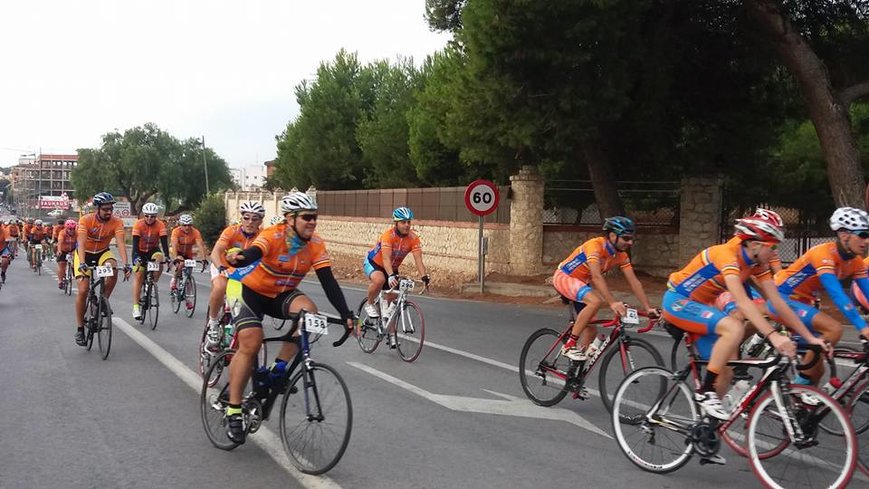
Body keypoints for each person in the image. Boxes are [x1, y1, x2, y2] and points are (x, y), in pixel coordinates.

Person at [663, 211, 826, 423]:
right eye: (772, 247)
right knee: (734, 327)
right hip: (678, 301)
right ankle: (705, 391)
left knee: (726, 372)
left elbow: (778, 302)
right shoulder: (726, 255)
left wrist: (810, 337)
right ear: (755, 244)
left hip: (701, 306)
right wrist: (774, 336)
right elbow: (742, 301)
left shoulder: (756, 263)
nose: (775, 252)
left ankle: (705, 427)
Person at [223, 192, 355, 444]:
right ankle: (234, 410)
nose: (312, 222)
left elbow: (328, 281)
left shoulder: (315, 244)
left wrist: (346, 314)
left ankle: (279, 368)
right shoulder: (273, 235)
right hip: (248, 290)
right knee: (251, 342)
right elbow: (255, 252)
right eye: (307, 217)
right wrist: (240, 257)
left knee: (309, 313)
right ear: (290, 219)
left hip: (280, 293)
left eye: (314, 217)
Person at [770, 207, 869, 385]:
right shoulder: (823, 254)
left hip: (805, 302)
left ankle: (804, 397)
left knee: (817, 371)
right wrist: (862, 327)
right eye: (862, 235)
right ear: (844, 235)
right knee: (834, 329)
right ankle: (796, 389)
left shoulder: (856, 262)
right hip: (782, 298)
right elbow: (836, 293)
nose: (866, 240)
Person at [553, 216, 658, 361]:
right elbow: (596, 277)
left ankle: (575, 370)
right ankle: (569, 345)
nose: (630, 242)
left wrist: (648, 308)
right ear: (613, 236)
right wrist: (612, 302)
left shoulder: (620, 255)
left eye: (631, 238)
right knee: (595, 301)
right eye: (626, 238)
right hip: (565, 277)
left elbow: (634, 282)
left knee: (591, 330)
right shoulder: (595, 246)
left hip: (582, 283)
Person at [204, 201, 265, 348]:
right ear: (241, 218)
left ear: (260, 221)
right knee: (220, 287)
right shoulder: (231, 231)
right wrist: (220, 267)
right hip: (223, 265)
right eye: (246, 218)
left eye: (254, 219)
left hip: (245, 271)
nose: (250, 222)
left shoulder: (263, 236)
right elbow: (216, 252)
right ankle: (213, 323)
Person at [73, 192, 131, 346]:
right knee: (83, 289)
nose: (109, 212)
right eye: (105, 209)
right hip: (84, 253)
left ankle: (102, 302)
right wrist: (82, 263)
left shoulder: (117, 222)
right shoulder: (86, 220)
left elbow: (120, 243)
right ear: (97, 209)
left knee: (113, 268)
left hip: (102, 253)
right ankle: (80, 329)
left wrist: (126, 264)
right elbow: (81, 243)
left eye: (111, 209)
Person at [362, 207, 429, 319]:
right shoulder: (388, 236)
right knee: (379, 280)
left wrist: (424, 276)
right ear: (396, 223)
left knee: (392, 300)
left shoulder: (413, 238)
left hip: (392, 268)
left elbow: (418, 259)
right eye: (403, 222)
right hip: (374, 263)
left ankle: (388, 327)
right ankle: (369, 304)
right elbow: (386, 258)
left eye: (409, 222)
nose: (407, 225)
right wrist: (391, 275)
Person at [131, 203, 170, 320]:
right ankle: (136, 307)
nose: (149, 218)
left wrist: (167, 256)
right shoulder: (138, 224)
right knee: (139, 275)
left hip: (153, 250)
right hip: (139, 251)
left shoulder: (160, 224)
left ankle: (152, 283)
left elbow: (164, 242)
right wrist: (136, 258)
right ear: (144, 215)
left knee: (160, 259)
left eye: (152, 216)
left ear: (156, 216)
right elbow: (135, 244)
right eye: (147, 216)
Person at [169, 214, 208, 293]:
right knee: (181, 263)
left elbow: (200, 245)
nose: (187, 227)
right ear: (180, 225)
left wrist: (204, 259)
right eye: (184, 225)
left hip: (188, 253)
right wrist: (176, 258)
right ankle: (174, 279)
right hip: (177, 251)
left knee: (188, 273)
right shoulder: (176, 231)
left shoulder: (195, 232)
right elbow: (174, 245)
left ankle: (187, 294)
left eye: (189, 225)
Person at [55, 219, 78, 289]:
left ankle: (74, 274)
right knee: (61, 264)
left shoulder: (77, 233)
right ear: (66, 228)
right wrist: (59, 250)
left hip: (73, 250)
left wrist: (76, 251)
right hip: (63, 250)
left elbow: (79, 243)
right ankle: (60, 281)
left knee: (75, 263)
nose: (72, 231)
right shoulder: (62, 233)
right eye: (70, 229)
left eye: (73, 229)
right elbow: (60, 242)